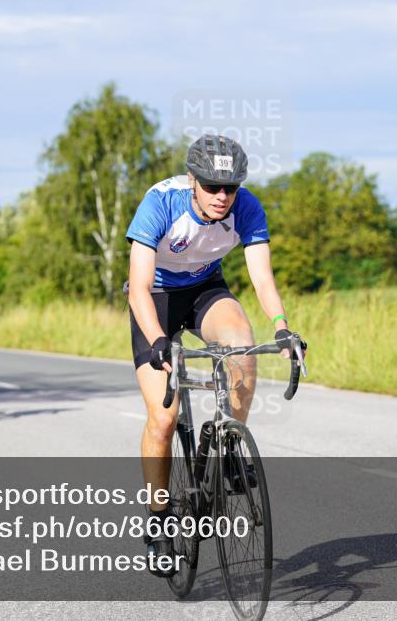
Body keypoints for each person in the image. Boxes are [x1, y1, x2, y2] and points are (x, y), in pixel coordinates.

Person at [125, 134, 306, 576]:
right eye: (212, 186)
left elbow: (262, 278)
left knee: (242, 346)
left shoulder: (247, 207)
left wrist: (282, 327)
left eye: (231, 187)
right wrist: (158, 339)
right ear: (193, 180)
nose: (222, 196)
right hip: (157, 298)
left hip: (206, 288)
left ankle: (227, 449)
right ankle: (158, 521)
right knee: (163, 419)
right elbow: (139, 287)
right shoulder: (160, 203)